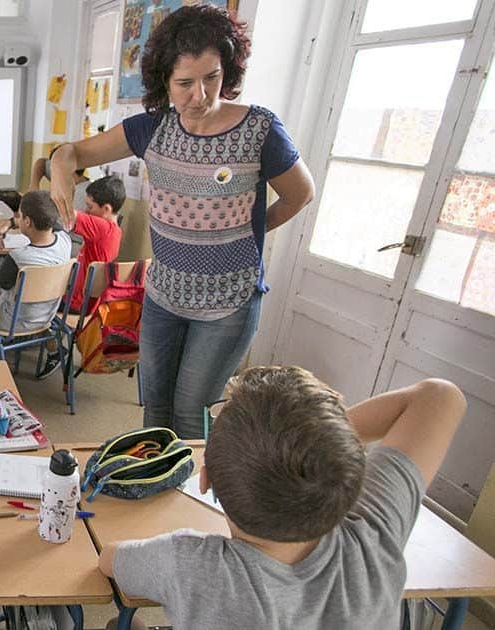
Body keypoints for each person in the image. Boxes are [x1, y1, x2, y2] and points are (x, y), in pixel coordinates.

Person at [48, 5, 315, 437]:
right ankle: (153, 493)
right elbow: (73, 152)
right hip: (164, 296)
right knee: (154, 409)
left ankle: (183, 499)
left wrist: (243, 233)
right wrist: (61, 164)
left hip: (227, 303)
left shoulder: (260, 129)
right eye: (185, 84)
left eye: (212, 78)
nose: (201, 96)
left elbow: (301, 194)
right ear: (163, 82)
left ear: (227, 70)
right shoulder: (152, 129)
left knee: (191, 414)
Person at [100, 368, 466, 629]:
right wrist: (318, 443)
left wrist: (310, 443)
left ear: (205, 476)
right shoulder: (374, 533)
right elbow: (441, 396)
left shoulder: (188, 563)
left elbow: (110, 559)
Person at [0, 191, 72, 335]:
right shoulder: (65, 240)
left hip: (11, 320)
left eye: (19, 215)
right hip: (46, 316)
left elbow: (0, 283)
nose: (17, 219)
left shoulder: (19, 257)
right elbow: (53, 222)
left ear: (27, 222)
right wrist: (10, 223)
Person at [66, 176, 125, 314]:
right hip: (89, 303)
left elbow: (65, 214)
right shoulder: (115, 230)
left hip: (77, 304)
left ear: (106, 209)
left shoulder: (102, 228)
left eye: (90, 206)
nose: (86, 211)